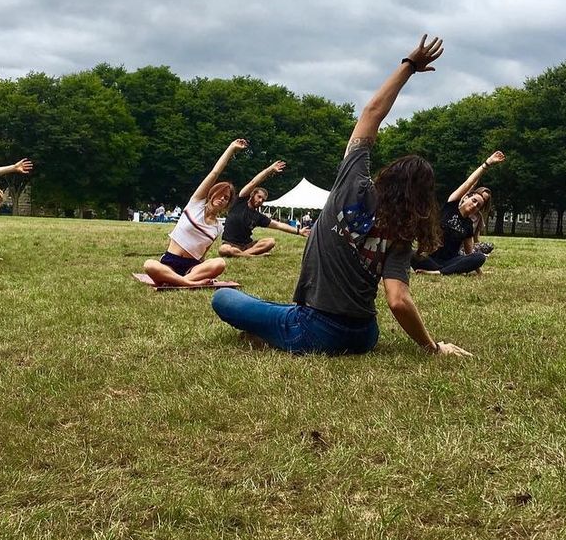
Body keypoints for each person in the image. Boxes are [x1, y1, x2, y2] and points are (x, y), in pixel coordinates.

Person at [211, 35, 471, 356]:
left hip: (314, 329)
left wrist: (409, 65)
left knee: (224, 298)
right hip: (363, 336)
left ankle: (274, 335)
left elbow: (372, 113)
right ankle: (276, 327)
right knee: (277, 309)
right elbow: (398, 300)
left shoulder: (353, 184)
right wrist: (432, 347)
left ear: (387, 175)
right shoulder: (402, 236)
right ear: (421, 201)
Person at [142, 139, 248, 287]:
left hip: (192, 268)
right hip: (170, 263)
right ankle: (187, 282)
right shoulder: (196, 204)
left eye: (226, 198)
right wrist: (231, 148)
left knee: (219, 263)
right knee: (149, 265)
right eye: (219, 194)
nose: (222, 199)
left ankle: (179, 281)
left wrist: (205, 270)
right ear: (211, 194)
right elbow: (214, 173)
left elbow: (202, 255)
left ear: (227, 204)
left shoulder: (218, 227)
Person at [413, 153, 504, 275]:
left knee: (479, 257)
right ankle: (439, 270)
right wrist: (487, 164)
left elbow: (469, 253)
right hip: (430, 259)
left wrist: (478, 270)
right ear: (466, 197)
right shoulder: (451, 206)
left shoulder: (468, 225)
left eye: (478, 206)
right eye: (474, 200)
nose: (474, 205)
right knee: (410, 253)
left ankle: (438, 272)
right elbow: (468, 183)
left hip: (450, 262)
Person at [218, 160, 311, 257]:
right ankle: (249, 255)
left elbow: (278, 225)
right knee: (223, 249)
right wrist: (270, 170)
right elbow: (253, 182)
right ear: (252, 194)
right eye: (259, 197)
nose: (260, 201)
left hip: (247, 246)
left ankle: (243, 254)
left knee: (270, 241)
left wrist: (299, 231)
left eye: (263, 200)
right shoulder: (239, 202)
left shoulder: (258, 217)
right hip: (230, 244)